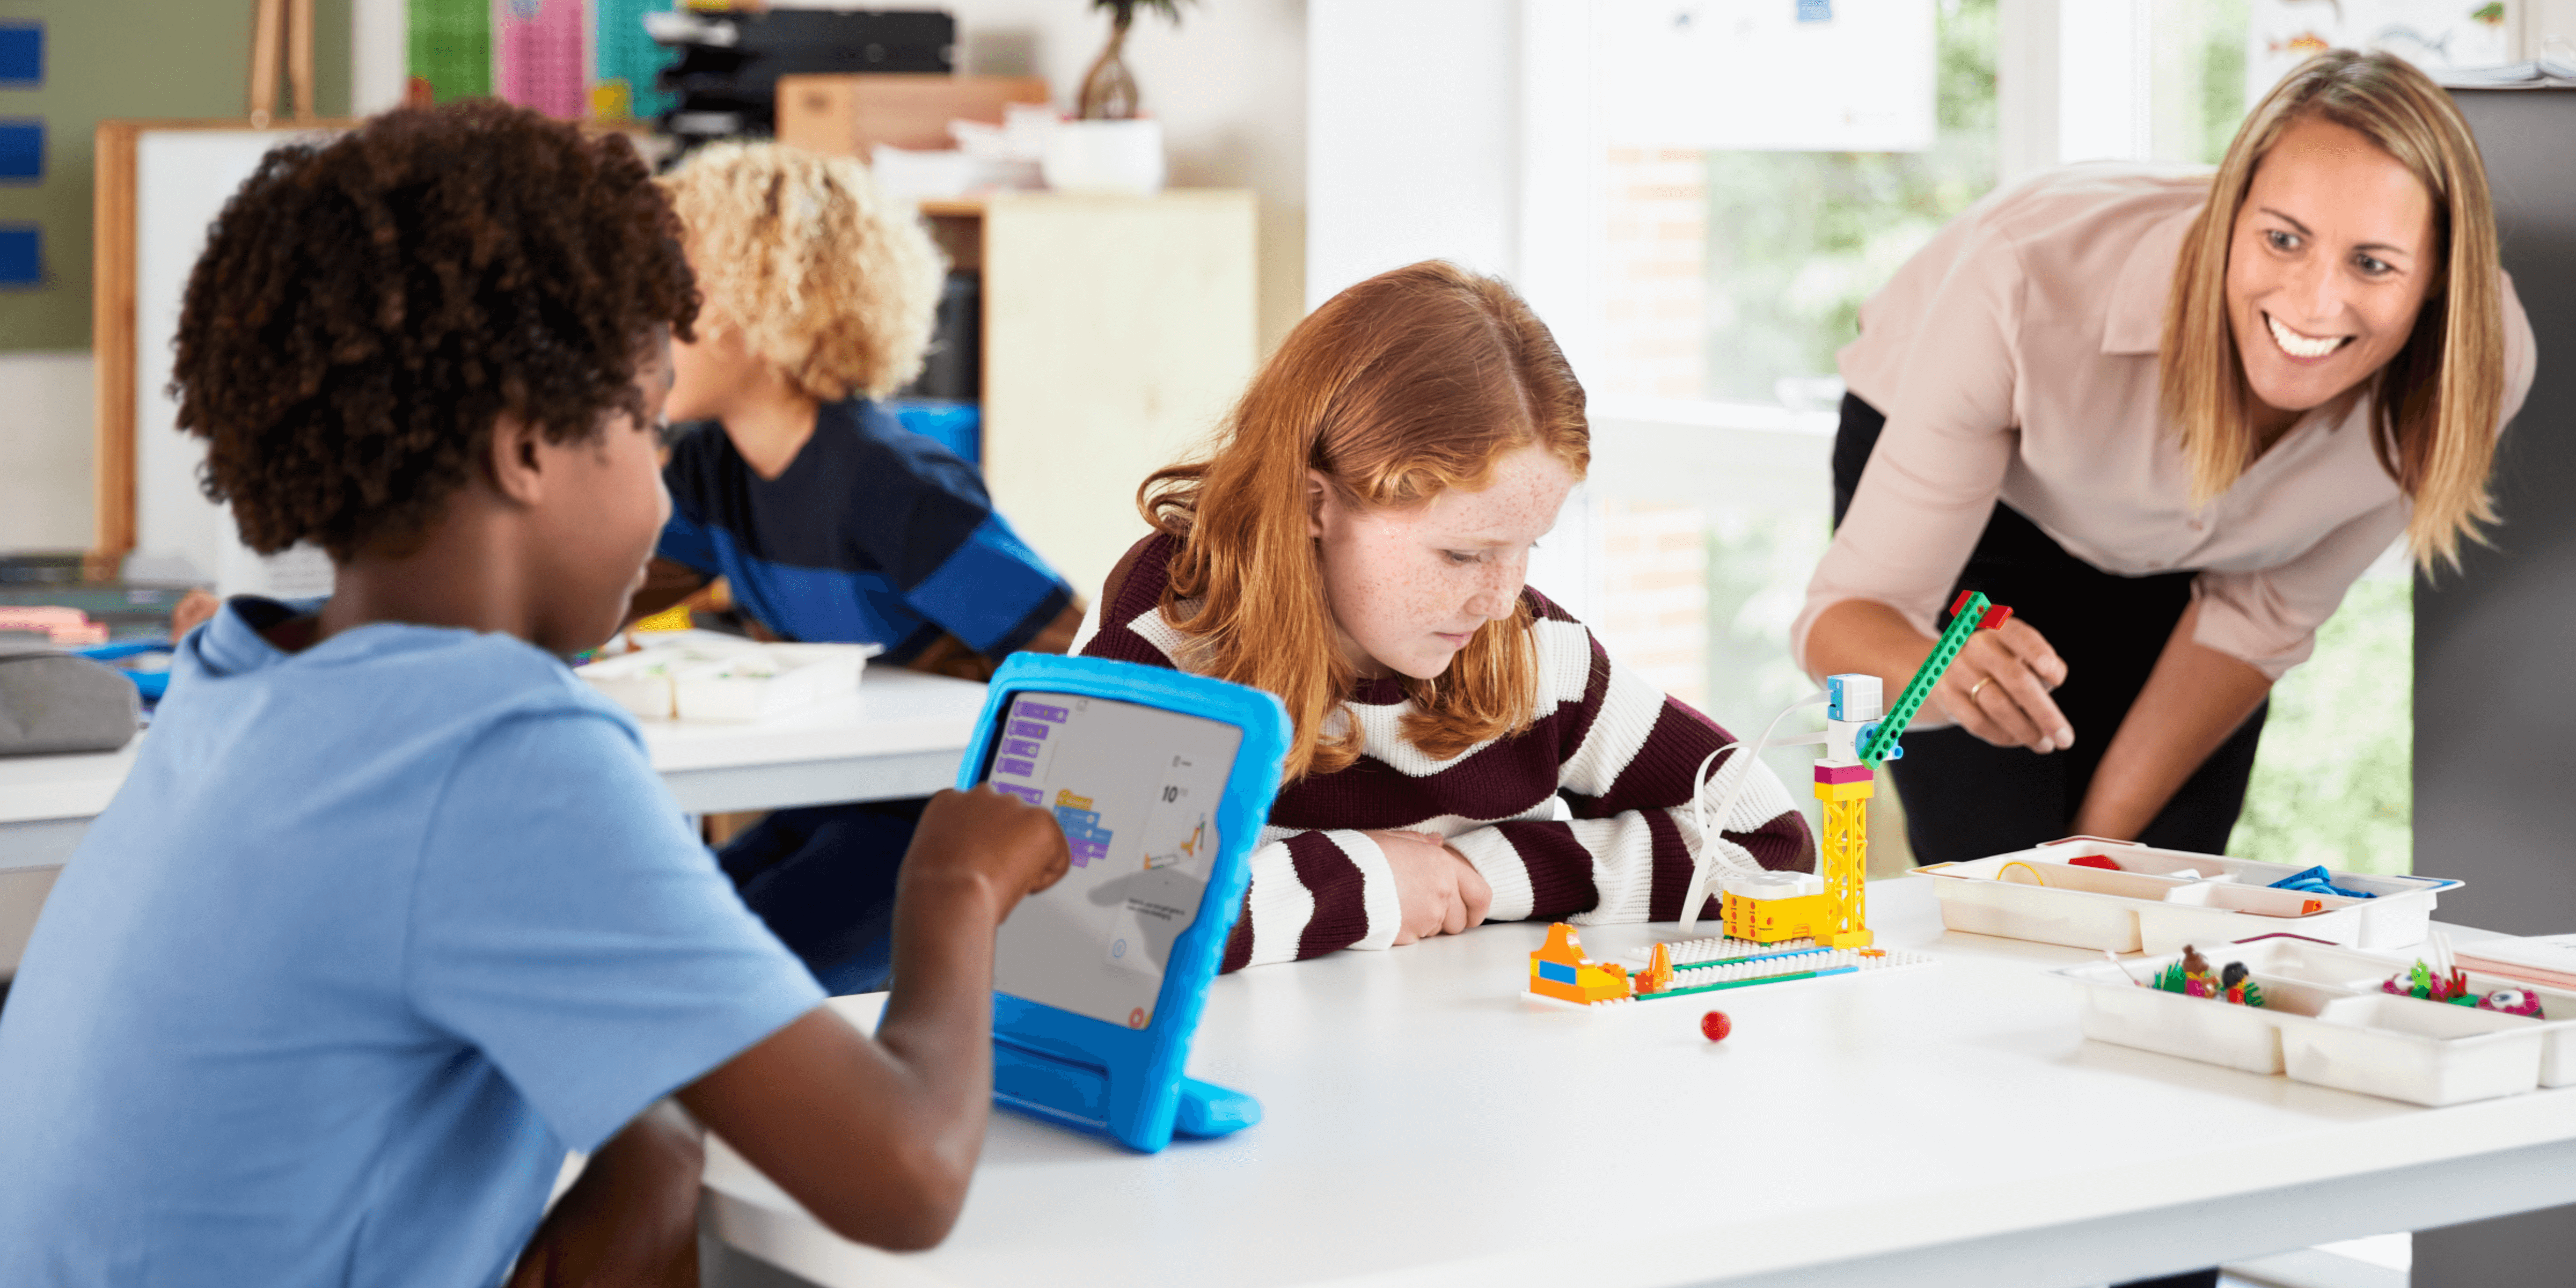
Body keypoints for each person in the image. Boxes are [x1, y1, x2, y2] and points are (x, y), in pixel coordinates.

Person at [0, 103, 1069, 1287]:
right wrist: (954, 878)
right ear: (527, 450)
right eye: (650, 428)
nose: (668, 495)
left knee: (658, 1141)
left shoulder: (234, 676)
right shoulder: (492, 750)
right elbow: (907, 1175)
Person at [1798, 50, 2535, 870]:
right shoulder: (2020, 286)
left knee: (2157, 876)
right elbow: (1841, 621)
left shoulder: (2477, 364)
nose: (2314, 303)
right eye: (2283, 239)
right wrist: (1938, 674)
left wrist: (2095, 854)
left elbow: (2261, 614)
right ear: (2230, 215)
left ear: (2437, 277)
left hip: (2205, 562)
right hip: (1995, 501)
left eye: (2373, 263)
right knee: (1993, 867)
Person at [1078, 261, 1814, 969]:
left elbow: (1765, 840)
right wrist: (1369, 882)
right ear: (1315, 506)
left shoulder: (1534, 652)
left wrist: (1484, 873)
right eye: (1463, 556)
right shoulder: (1167, 643)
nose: (1500, 600)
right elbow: (1087, 918)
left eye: (1528, 548)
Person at [628, 142, 1083, 993]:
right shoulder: (711, 471)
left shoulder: (892, 486)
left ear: (758, 304)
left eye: (669, 293)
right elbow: (599, 595)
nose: (643, 326)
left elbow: (1085, 657)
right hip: (833, 805)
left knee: (720, 982)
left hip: (938, 828)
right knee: (660, 950)